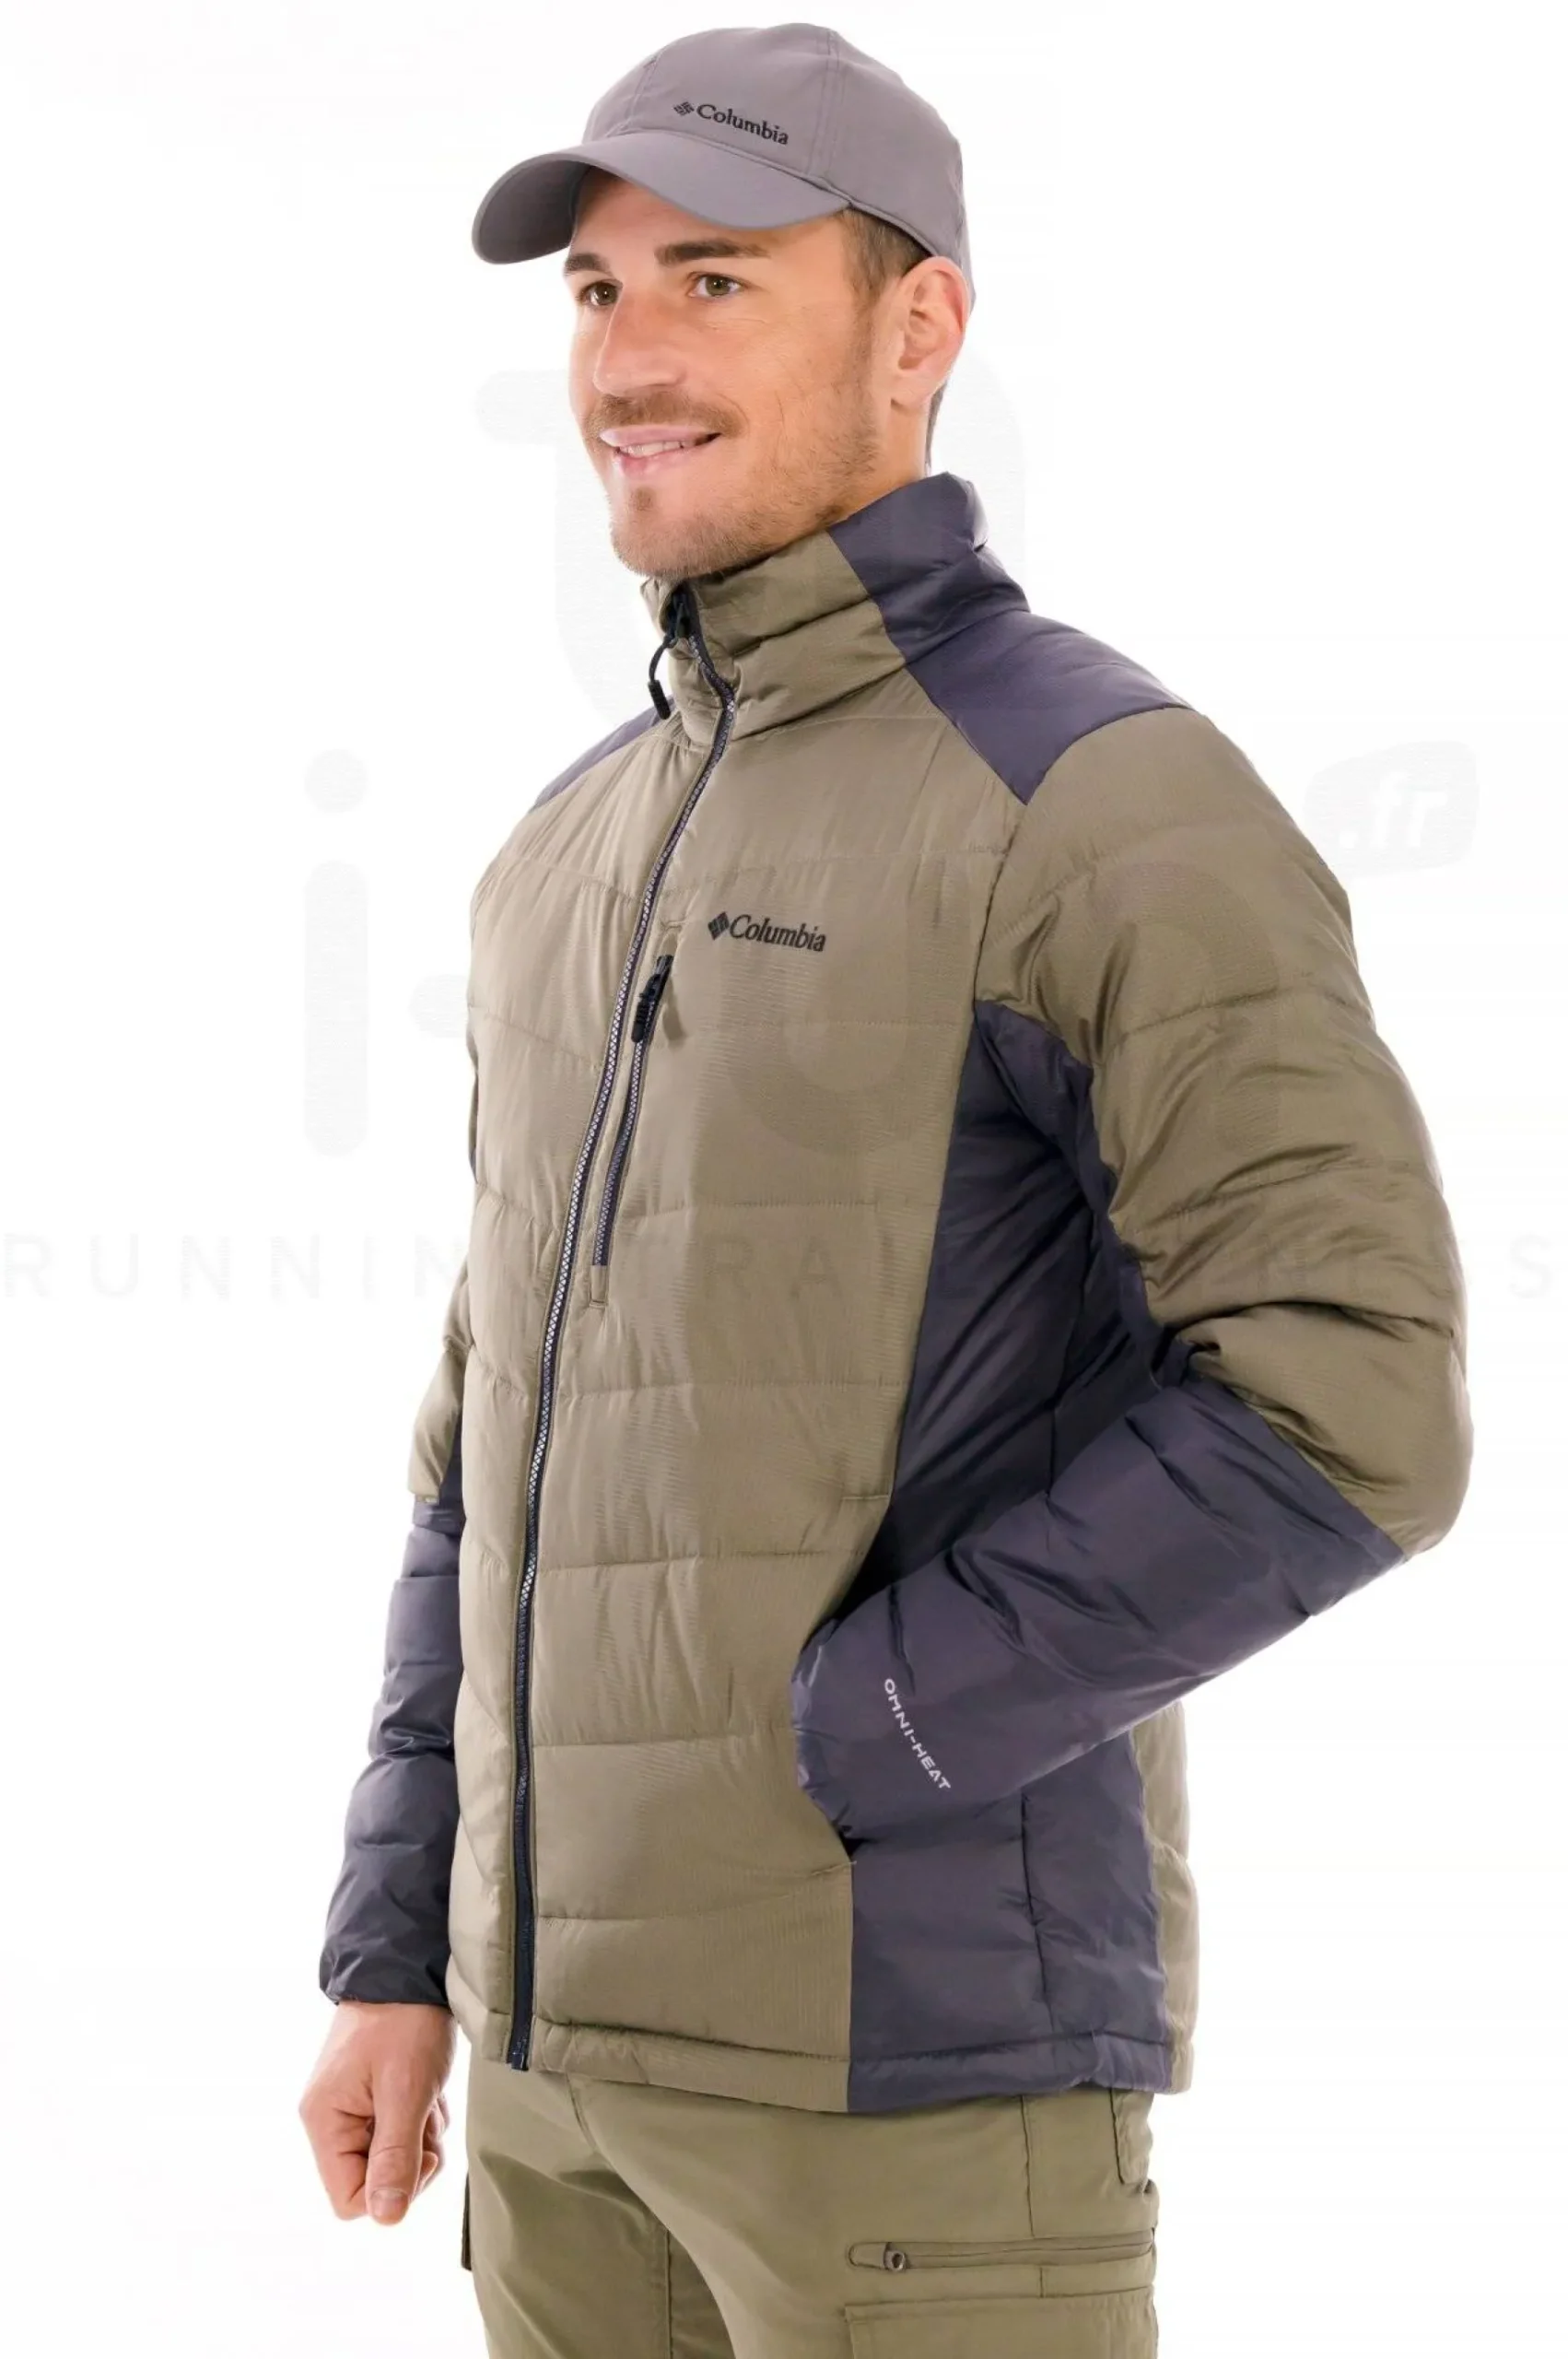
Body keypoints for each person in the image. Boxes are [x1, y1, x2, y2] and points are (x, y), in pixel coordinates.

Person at [298, 23, 1472, 2356]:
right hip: (546, 2098)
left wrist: (859, 1738)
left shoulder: (1098, 797)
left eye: (713, 280)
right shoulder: (567, 847)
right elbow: (479, 1451)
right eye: (596, 290)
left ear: (917, 322)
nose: (625, 357)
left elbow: (1349, 1395)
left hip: (908, 2093)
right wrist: (399, 1940)